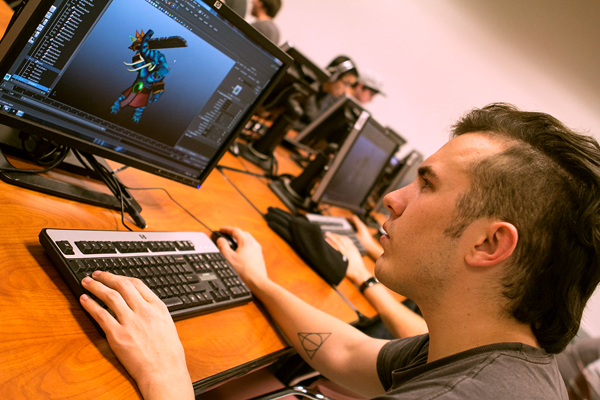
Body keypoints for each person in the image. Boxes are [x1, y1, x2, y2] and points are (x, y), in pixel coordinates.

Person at [78, 103, 600, 399]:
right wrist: (259, 280)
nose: (393, 200)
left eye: (427, 185)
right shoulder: (483, 349)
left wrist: (166, 372)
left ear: (489, 243)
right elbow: (349, 354)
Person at [299, 55, 359, 127]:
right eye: (346, 83)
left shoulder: (331, 100)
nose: (346, 90)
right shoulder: (309, 88)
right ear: (334, 76)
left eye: (350, 85)